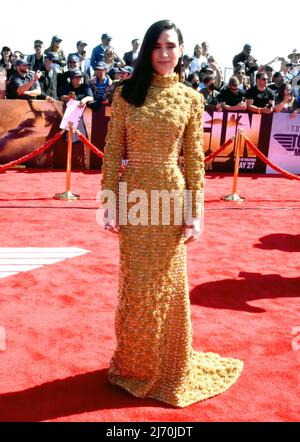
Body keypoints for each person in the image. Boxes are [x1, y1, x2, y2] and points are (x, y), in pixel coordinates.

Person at [101, 19, 243, 408]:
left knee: (169, 284)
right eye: (158, 46)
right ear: (148, 50)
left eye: (172, 46)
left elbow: (195, 159)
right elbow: (114, 150)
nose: (165, 53)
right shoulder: (126, 94)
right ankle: (134, 363)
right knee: (136, 284)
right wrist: (109, 199)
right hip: (134, 199)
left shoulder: (191, 99)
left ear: (182, 51)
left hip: (170, 198)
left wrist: (195, 211)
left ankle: (170, 364)